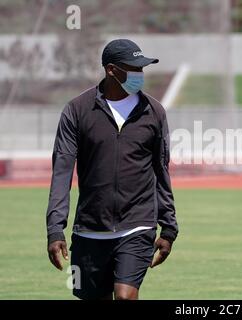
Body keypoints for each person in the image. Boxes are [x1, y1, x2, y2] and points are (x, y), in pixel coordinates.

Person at [46, 39, 179, 300]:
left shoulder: (154, 112)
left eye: (142, 69)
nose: (139, 75)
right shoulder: (77, 110)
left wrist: (169, 228)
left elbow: (161, 172)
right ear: (111, 70)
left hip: (137, 226)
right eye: (133, 68)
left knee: (126, 296)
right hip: (88, 229)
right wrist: (54, 229)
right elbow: (61, 173)